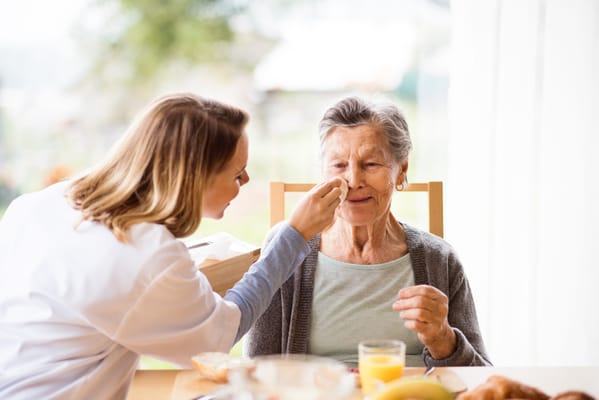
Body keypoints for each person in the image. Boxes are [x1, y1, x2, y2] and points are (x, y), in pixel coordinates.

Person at [0, 93, 344, 399]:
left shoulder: (38, 205)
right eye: (238, 174)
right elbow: (218, 336)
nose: (247, 182)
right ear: (196, 179)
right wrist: (294, 235)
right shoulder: (146, 255)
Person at [245, 96, 491, 367]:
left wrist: (444, 339)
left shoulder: (439, 259)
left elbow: (482, 381)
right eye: (339, 165)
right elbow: (256, 372)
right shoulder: (288, 247)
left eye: (371, 164)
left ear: (401, 170)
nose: (353, 181)